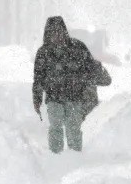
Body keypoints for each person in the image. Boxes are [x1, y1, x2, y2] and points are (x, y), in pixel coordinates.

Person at [32, 17, 110, 153]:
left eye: (59, 32)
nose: (57, 36)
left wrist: (100, 75)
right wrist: (37, 99)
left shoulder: (78, 47)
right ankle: (55, 156)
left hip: (75, 97)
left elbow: (90, 66)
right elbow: (38, 78)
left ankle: (74, 156)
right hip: (53, 98)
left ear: (64, 32)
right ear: (47, 34)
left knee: (73, 128)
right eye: (53, 33)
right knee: (55, 127)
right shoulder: (43, 53)